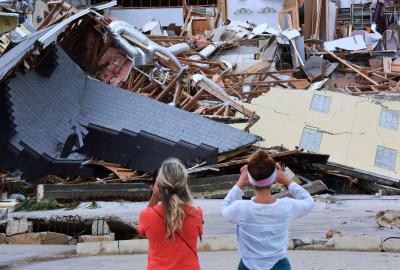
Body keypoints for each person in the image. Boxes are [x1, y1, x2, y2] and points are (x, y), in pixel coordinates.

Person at [221, 150, 315, 270]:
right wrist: (287, 180)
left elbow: (224, 207)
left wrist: (239, 183)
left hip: (247, 265)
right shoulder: (286, 206)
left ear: (250, 179)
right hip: (279, 265)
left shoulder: (240, 208)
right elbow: (309, 202)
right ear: (274, 179)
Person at [138, 158, 203, 270]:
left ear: (158, 185)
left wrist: (154, 196)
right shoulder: (196, 213)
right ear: (184, 183)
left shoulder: (147, 215)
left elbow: (142, 232)